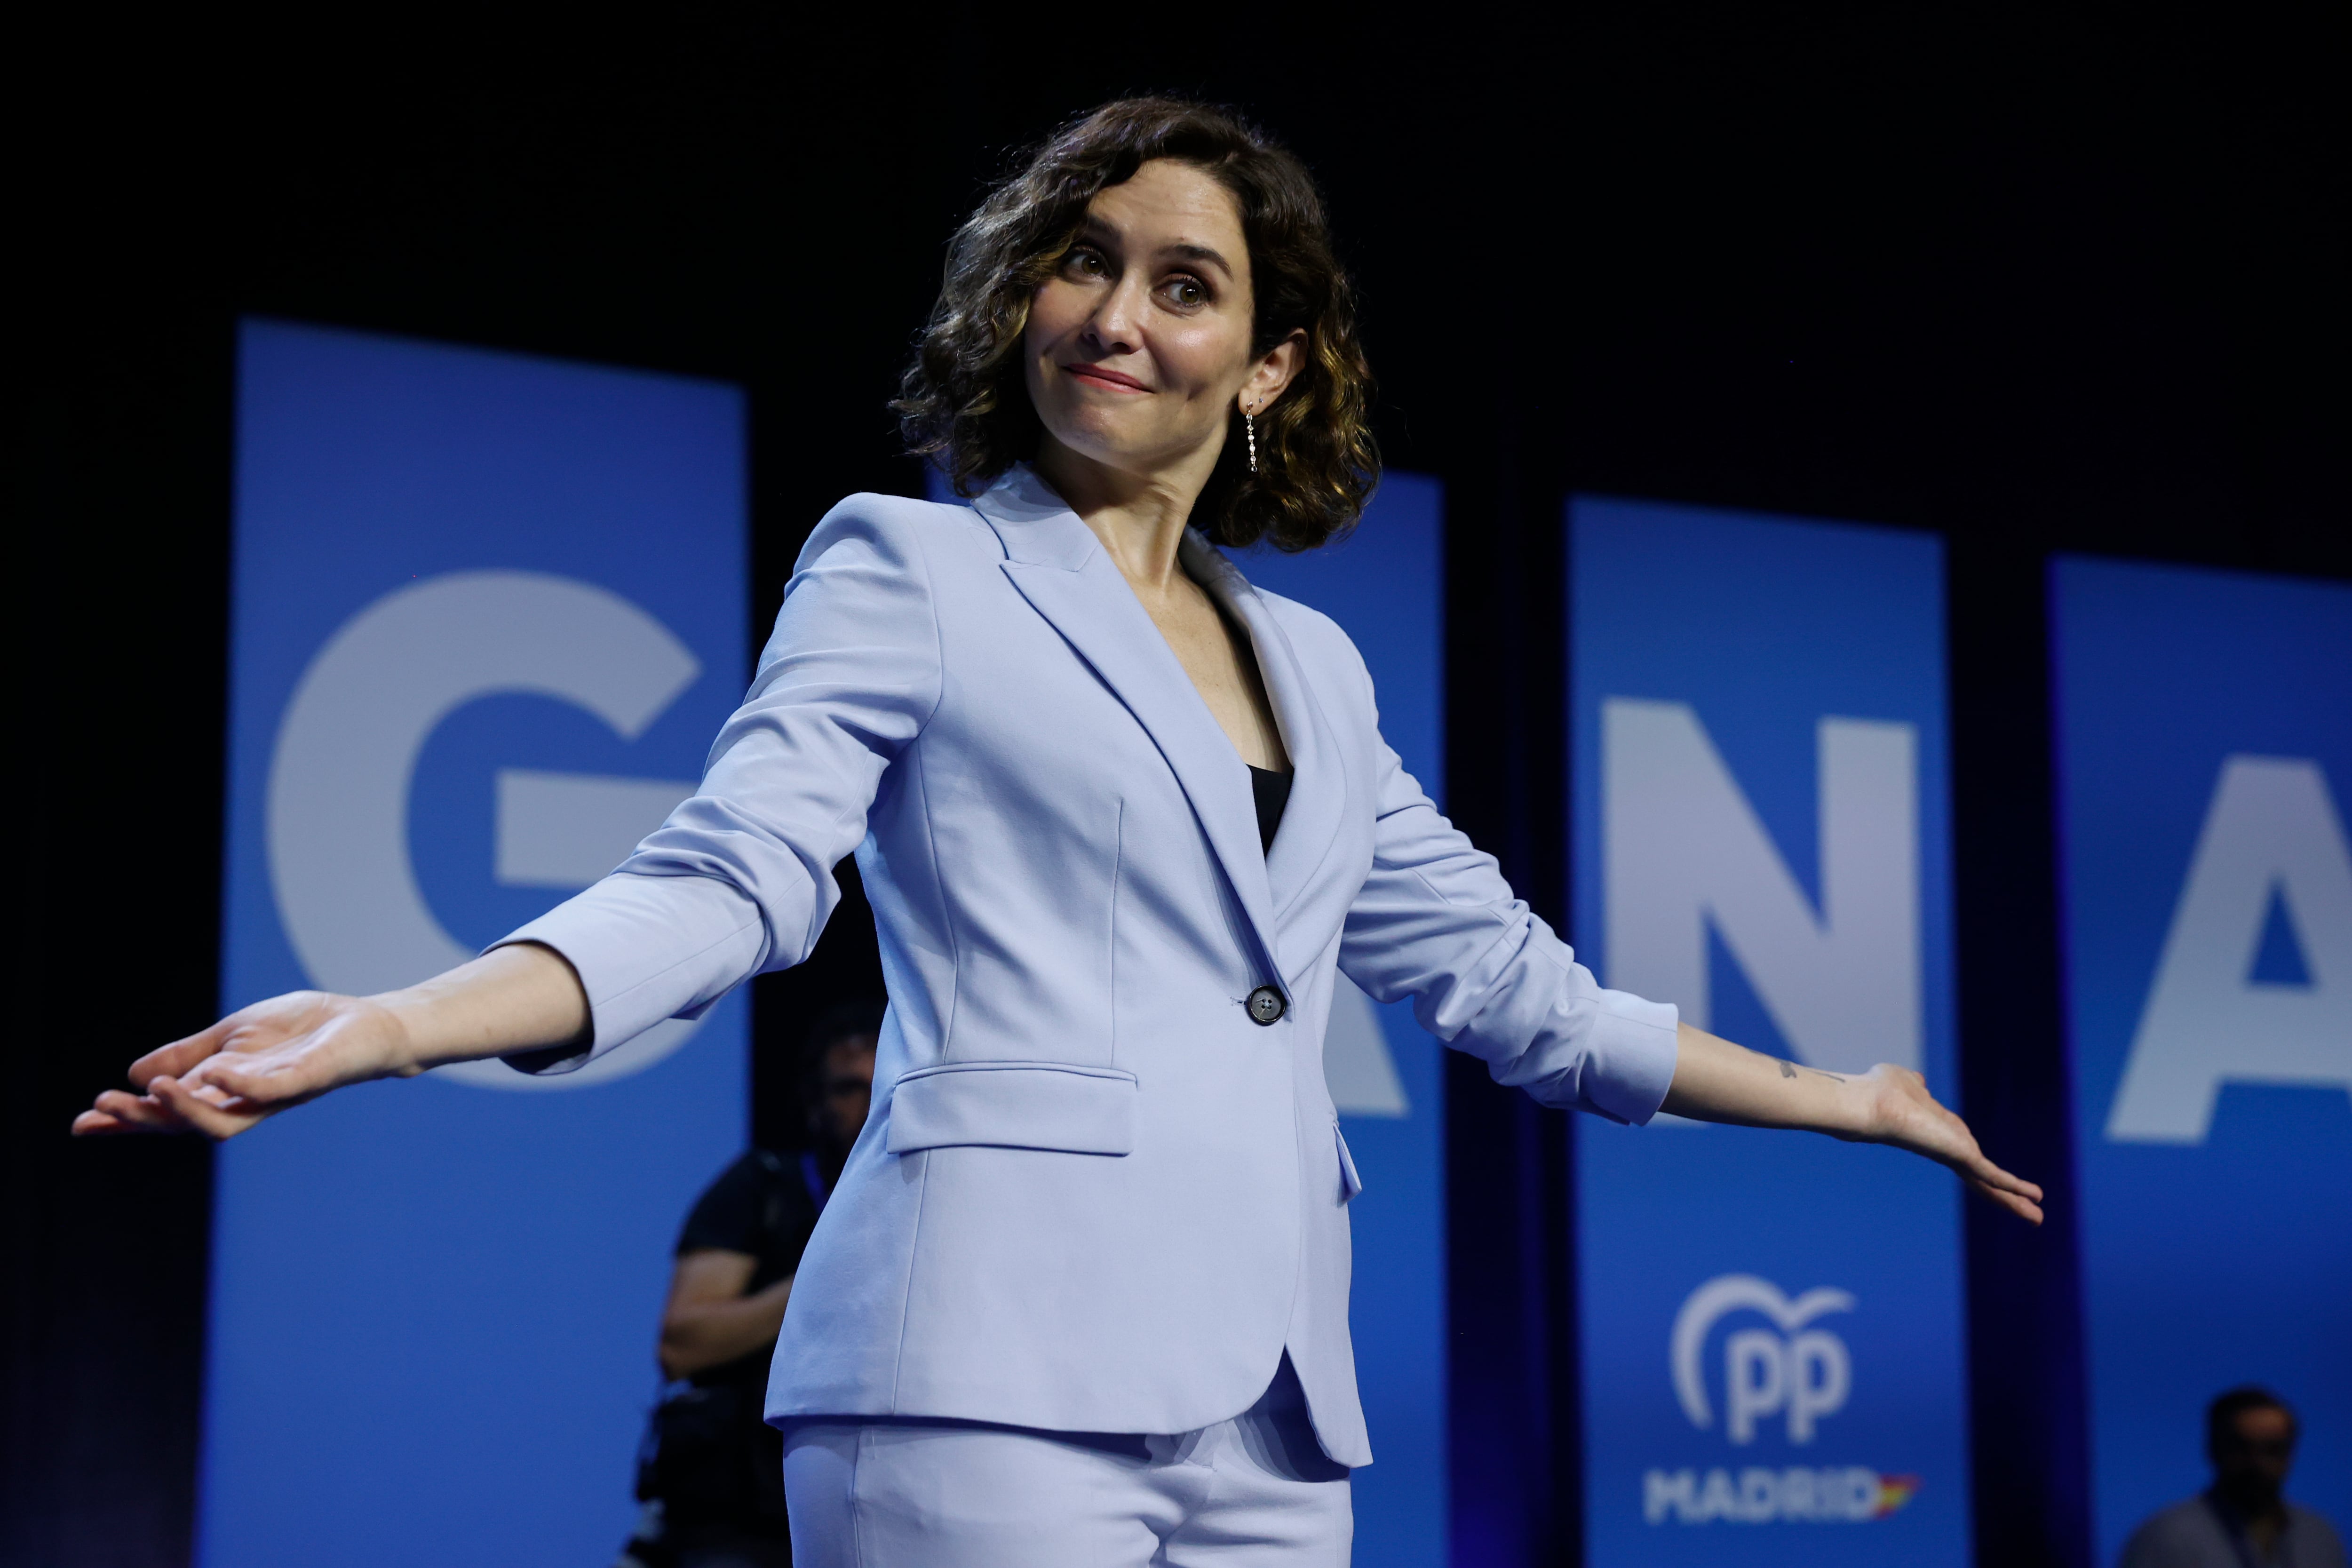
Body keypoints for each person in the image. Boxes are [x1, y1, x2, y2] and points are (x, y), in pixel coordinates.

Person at [75, 97, 2043, 1566]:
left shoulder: (1321, 674)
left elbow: (1514, 990)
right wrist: (400, 1020)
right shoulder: (915, 563)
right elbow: (732, 877)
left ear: (1268, 365)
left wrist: (1841, 1091)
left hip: (1275, 1409)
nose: (1112, 312)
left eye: (1185, 284)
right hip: (976, 1365)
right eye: (1078, 257)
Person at [619, 1002, 882, 1568]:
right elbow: (682, 1345)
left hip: (877, 1500)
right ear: (815, 1105)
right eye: (847, 1088)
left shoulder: (932, 1201)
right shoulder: (762, 1187)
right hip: (738, 1521)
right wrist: (825, 1273)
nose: (869, 1105)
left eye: (881, 1085)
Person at [2119, 1388, 2346, 1568]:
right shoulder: (2167, 1538)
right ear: (2214, 1449)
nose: (2259, 1463)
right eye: (2243, 1448)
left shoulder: (2319, 1537)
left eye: (2273, 1449)